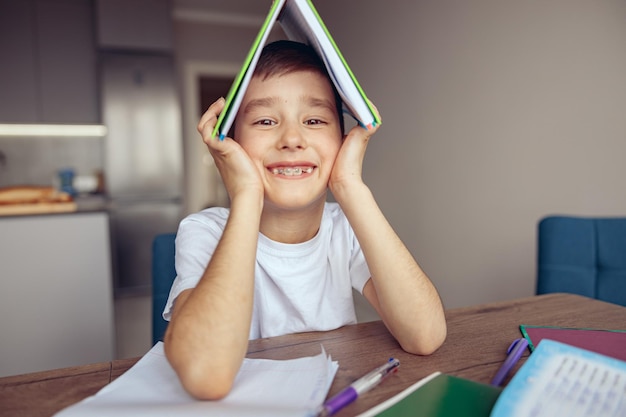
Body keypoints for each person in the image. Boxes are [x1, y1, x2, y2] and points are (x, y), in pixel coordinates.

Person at [162, 40, 447, 400]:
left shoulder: (346, 227)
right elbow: (206, 375)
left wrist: (350, 186)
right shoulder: (203, 231)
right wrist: (246, 194)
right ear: (230, 142)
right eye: (266, 121)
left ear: (341, 141)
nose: (292, 139)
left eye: (314, 120)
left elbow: (425, 336)